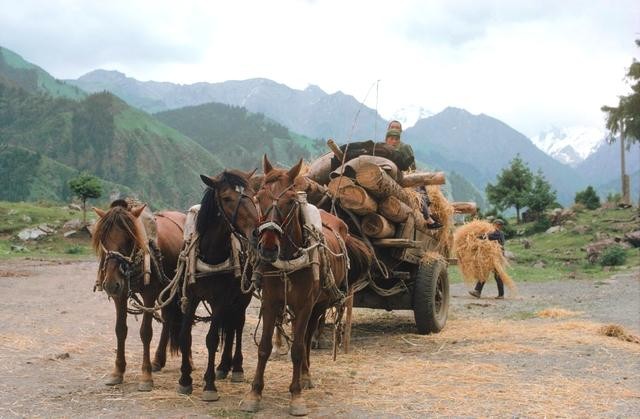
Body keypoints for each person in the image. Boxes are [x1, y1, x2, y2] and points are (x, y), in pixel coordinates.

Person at [384, 120, 441, 229]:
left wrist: (408, 174)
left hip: (404, 176)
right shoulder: (382, 146)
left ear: (400, 132)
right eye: (392, 127)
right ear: (388, 130)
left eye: (397, 128)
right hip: (390, 177)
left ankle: (427, 214)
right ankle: (428, 216)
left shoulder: (405, 147)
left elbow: (411, 168)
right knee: (416, 184)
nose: (394, 129)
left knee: (417, 184)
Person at [469, 219, 506, 299]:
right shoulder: (499, 233)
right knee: (488, 274)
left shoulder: (498, 233)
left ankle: (478, 291)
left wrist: (476, 237)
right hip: (494, 257)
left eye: (494, 224)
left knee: (493, 275)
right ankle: (478, 291)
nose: (493, 225)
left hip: (495, 257)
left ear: (498, 225)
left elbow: (488, 236)